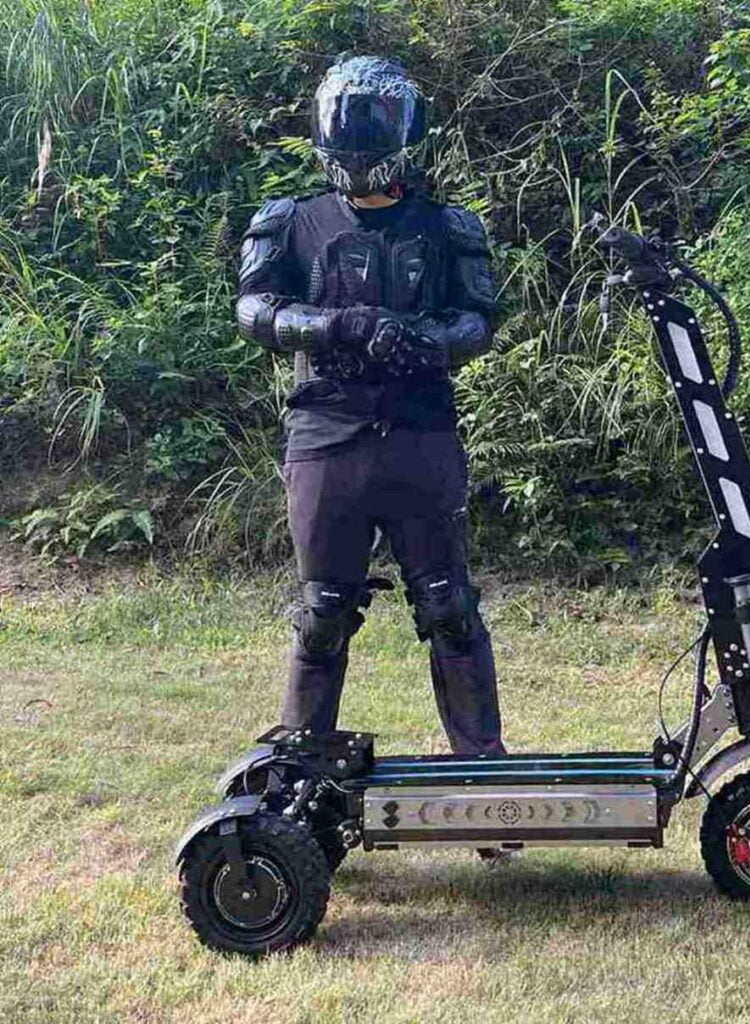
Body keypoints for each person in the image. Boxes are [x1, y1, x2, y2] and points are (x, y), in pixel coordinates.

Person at [235, 54, 504, 758]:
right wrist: (332, 326)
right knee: (323, 612)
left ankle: (483, 774)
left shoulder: (448, 228)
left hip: (419, 429)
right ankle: (299, 775)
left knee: (449, 606)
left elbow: (480, 317)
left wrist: (430, 342)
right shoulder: (290, 222)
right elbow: (254, 308)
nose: (357, 138)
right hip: (326, 431)